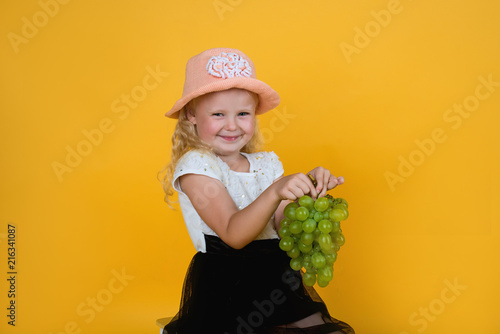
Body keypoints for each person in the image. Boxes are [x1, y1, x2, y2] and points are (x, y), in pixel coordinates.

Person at [160, 47, 354, 334]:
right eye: (217, 113)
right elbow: (233, 234)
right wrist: (277, 190)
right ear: (192, 114)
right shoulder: (197, 166)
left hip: (277, 280)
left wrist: (308, 197)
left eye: (242, 113)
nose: (232, 125)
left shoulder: (266, 164)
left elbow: (280, 226)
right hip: (226, 286)